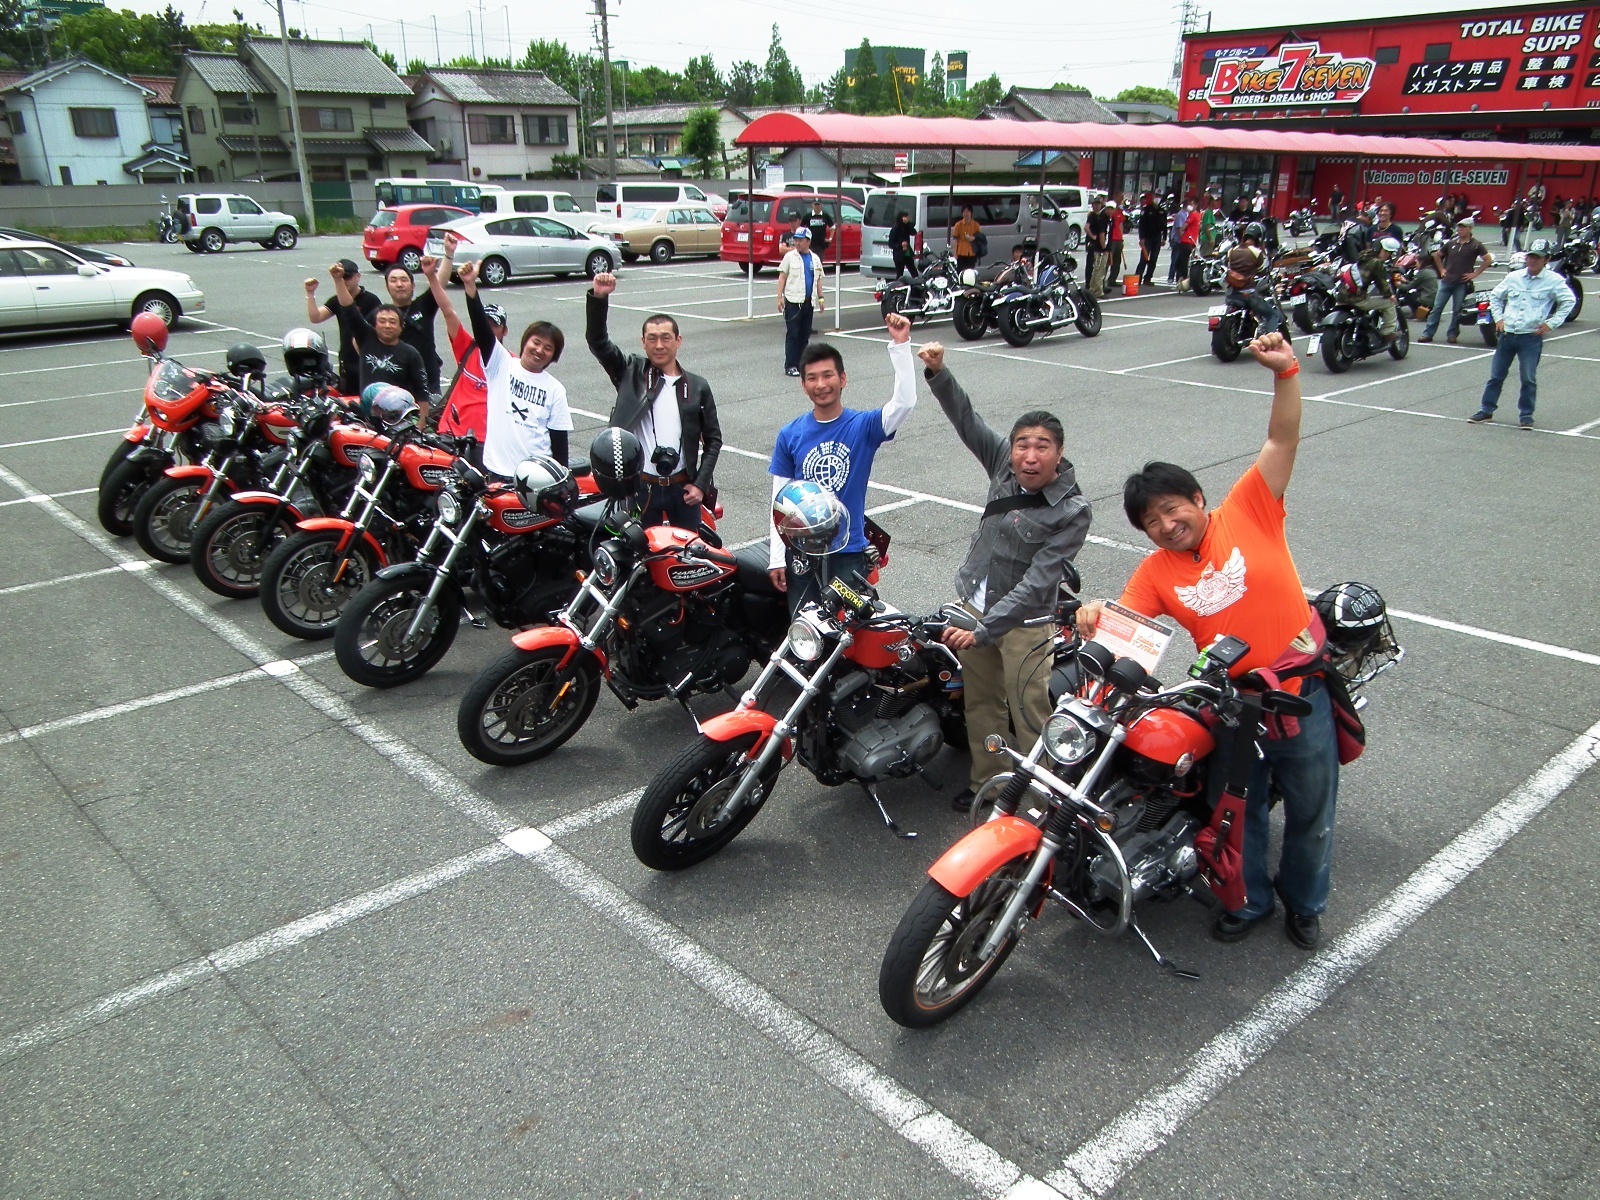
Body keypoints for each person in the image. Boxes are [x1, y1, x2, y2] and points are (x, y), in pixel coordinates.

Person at [1076, 332, 1336, 950]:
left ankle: (1305, 902)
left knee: (1311, 809)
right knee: (1236, 810)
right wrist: (1094, 614)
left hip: (1299, 691)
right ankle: (1250, 902)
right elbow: (1126, 629)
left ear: (1197, 498)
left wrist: (1287, 373)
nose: (1168, 526)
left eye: (1173, 509)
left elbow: (1281, 440)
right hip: (1231, 703)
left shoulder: (1249, 508)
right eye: (1152, 523)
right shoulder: (1155, 572)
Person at [916, 339, 1091, 812]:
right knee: (982, 704)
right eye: (1022, 445)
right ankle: (988, 783)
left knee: (1029, 711)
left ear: (1059, 454)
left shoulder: (1072, 511)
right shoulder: (1002, 466)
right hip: (974, 609)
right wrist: (938, 372)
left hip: (1025, 625)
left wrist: (984, 629)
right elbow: (967, 420)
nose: (1030, 456)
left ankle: (1044, 801)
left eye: (1042, 447)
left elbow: (1039, 582)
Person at [767, 312, 917, 613]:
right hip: (802, 555)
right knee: (804, 629)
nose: (820, 384)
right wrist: (776, 558)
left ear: (843, 379)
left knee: (849, 630)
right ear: (803, 385)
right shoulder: (790, 434)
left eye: (828, 375)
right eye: (812, 378)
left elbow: (904, 403)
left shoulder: (863, 427)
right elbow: (779, 503)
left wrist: (900, 346)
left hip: (849, 552)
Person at [587, 271, 721, 529]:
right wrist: (599, 298)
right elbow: (597, 341)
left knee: (686, 550)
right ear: (643, 343)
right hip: (641, 487)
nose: (659, 345)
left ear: (678, 341)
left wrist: (700, 484)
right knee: (639, 549)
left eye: (665, 338)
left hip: (683, 489)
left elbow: (713, 440)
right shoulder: (630, 373)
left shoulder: (697, 386)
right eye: (652, 339)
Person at [450, 260, 572, 474]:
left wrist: (560, 480)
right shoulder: (501, 364)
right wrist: (470, 285)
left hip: (534, 477)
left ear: (554, 356)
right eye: (536, 342)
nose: (539, 350)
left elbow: (560, 443)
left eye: (548, 348)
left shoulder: (556, 390)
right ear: (525, 342)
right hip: (494, 470)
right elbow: (481, 329)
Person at [1470, 237, 1574, 429]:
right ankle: (1486, 410)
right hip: (1508, 335)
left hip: (1530, 337)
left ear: (1547, 259)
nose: (1533, 260)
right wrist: (1499, 319)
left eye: (1538, 257)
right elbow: (1496, 296)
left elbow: (1569, 301)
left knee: (1528, 378)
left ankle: (1526, 415)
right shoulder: (1514, 277)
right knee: (1496, 376)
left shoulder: (1554, 281)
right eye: (1530, 256)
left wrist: (1551, 324)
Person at [419, 234, 507, 447]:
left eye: (494, 325)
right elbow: (448, 311)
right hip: (449, 435)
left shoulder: (511, 362)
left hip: (486, 442)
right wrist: (431, 277)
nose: (488, 329)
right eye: (484, 323)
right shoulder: (466, 348)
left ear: (505, 331)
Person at [330, 262, 431, 414]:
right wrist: (338, 280)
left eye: (392, 322)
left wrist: (422, 422)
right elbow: (349, 310)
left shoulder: (411, 354)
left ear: (401, 327)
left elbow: (422, 392)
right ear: (375, 325)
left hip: (398, 417)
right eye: (382, 321)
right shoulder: (366, 340)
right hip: (367, 416)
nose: (387, 326)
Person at [303, 258, 379, 394]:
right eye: (341, 277)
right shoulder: (337, 300)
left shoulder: (371, 300)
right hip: (347, 358)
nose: (344, 281)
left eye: (347, 277)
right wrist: (310, 294)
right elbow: (316, 317)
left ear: (358, 276)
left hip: (367, 358)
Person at [1420, 217, 1492, 344]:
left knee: (1457, 310)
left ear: (1470, 229)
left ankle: (1452, 334)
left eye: (1463, 227)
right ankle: (1428, 334)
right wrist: (1441, 270)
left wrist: (1475, 274)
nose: (1460, 230)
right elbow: (1437, 255)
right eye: (1459, 227)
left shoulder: (1476, 245)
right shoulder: (1451, 243)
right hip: (1447, 281)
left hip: (1461, 283)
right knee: (1437, 308)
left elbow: (1488, 259)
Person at [380, 265, 444, 404]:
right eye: (394, 280)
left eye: (404, 280)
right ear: (387, 287)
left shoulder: (424, 305)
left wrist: (449, 255)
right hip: (396, 387)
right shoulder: (382, 316)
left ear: (413, 285)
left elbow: (440, 283)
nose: (399, 284)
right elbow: (360, 340)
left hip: (428, 383)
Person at [777, 227, 825, 377]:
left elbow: (818, 280)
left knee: (804, 335)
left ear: (808, 241)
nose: (797, 243)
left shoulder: (815, 259)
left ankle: (801, 364)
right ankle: (790, 365)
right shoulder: (790, 257)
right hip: (793, 302)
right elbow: (782, 276)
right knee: (793, 334)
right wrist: (779, 297)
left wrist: (821, 298)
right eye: (796, 240)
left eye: (800, 240)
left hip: (808, 302)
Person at [1224, 222, 1281, 335]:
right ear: (1259, 238)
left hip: (1231, 294)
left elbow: (1228, 265)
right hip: (1248, 295)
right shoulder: (1256, 253)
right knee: (1272, 315)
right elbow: (1262, 272)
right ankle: (1270, 340)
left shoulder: (1232, 250)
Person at [1353, 236, 1400, 345]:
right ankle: (1387, 333)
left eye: (1389, 253)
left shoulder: (1363, 258)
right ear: (1379, 248)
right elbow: (1381, 283)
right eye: (1385, 251)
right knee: (1389, 303)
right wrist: (1390, 295)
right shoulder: (1377, 263)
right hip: (1357, 299)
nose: (1387, 255)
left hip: (1342, 296)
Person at [1138, 193, 1165, 285]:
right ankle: (1137, 278)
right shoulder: (1146, 209)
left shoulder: (1162, 211)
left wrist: (1164, 238)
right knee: (1144, 259)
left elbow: (1164, 225)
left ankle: (1148, 278)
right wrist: (1141, 237)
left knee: (1153, 259)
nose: (1157, 198)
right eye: (1156, 196)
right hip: (1147, 237)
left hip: (1157, 237)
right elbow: (1141, 224)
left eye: (1159, 197)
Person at [1173, 200, 1201, 293]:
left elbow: (1183, 227)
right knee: (1184, 262)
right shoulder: (1198, 215)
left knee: (1181, 263)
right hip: (1191, 241)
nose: (1190, 206)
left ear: (1196, 205)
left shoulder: (1193, 215)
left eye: (1192, 204)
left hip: (1186, 241)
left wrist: (1182, 232)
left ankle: (1182, 281)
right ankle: (1182, 281)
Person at [951, 204, 981, 273]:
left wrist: (973, 238)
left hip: (972, 253)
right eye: (964, 211)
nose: (966, 213)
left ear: (971, 213)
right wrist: (955, 254)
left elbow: (979, 238)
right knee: (960, 272)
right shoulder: (958, 225)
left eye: (968, 211)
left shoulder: (976, 225)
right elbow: (955, 240)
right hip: (961, 253)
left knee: (970, 272)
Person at [888, 210, 918, 279]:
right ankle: (899, 284)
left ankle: (917, 282)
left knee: (913, 271)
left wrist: (908, 224)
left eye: (907, 217)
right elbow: (891, 244)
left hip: (907, 252)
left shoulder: (906, 227)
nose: (907, 219)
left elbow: (914, 232)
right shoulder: (895, 229)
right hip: (899, 254)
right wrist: (900, 245)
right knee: (900, 273)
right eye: (905, 217)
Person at [1105, 200, 1126, 288]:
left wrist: (1121, 238)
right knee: (1108, 260)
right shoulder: (1108, 213)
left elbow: (1121, 225)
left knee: (1117, 261)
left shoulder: (1119, 212)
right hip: (1111, 239)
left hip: (1118, 239)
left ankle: (1112, 279)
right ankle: (1101, 280)